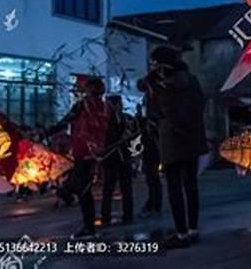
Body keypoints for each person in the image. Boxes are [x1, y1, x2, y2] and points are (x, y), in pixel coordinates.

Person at [142, 46, 207, 249]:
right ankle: (193, 229)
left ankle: (181, 233)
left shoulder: (160, 88)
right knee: (191, 186)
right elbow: (200, 105)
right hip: (193, 139)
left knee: (174, 188)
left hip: (171, 141)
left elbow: (154, 113)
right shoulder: (192, 81)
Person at [46, 76, 112, 239]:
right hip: (97, 153)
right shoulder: (105, 108)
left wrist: (45, 134)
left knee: (83, 190)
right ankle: (86, 222)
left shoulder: (83, 106)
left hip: (83, 152)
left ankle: (89, 227)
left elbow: (65, 121)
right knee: (83, 187)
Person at [101, 95, 135, 226]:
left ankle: (128, 215)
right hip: (111, 158)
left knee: (126, 188)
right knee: (108, 188)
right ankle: (106, 216)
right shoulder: (105, 120)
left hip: (124, 157)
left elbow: (134, 137)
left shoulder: (126, 119)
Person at [137, 73, 163, 218]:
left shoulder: (154, 96)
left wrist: (147, 122)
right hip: (151, 138)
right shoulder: (150, 96)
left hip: (153, 139)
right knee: (151, 174)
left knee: (152, 174)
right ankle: (153, 202)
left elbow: (155, 119)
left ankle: (154, 203)